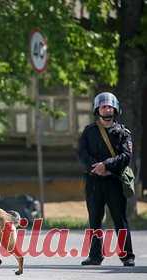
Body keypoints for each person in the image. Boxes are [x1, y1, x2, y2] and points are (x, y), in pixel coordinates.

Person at [78, 92, 135, 266]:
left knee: (120, 219)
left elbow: (126, 156)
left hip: (114, 181)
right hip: (94, 182)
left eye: (109, 106)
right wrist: (96, 167)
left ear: (115, 108)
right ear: (97, 109)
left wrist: (107, 166)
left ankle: (127, 256)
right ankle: (95, 256)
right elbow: (82, 154)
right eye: (103, 106)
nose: (106, 108)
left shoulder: (123, 133)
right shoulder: (89, 131)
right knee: (94, 219)